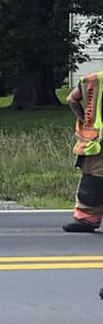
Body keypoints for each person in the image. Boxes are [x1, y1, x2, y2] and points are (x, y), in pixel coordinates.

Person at [64, 71, 103, 233]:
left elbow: (72, 99)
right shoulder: (93, 81)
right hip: (98, 144)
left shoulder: (93, 81)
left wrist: (84, 120)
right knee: (93, 182)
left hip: (98, 142)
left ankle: (87, 219)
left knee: (94, 181)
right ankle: (87, 218)